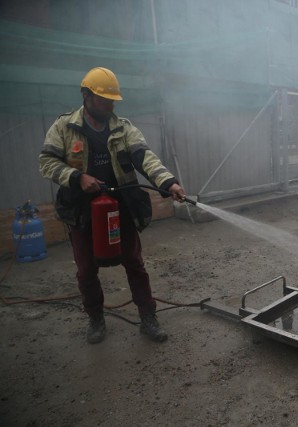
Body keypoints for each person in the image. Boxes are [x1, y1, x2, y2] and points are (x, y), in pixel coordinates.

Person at [39, 67, 188, 344]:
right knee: (86, 270)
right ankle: (96, 319)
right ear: (86, 95)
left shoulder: (124, 128)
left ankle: (148, 317)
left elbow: (146, 158)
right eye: (103, 100)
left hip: (120, 208)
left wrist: (169, 183)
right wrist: (77, 176)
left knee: (134, 263)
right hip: (82, 212)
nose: (109, 106)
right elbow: (47, 162)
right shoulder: (64, 127)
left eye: (112, 101)